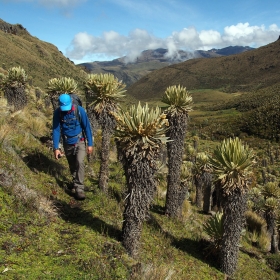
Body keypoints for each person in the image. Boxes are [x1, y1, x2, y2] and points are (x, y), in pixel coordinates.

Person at [52, 93, 93, 200]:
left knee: (80, 161)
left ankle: (79, 188)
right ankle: (75, 181)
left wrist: (90, 144)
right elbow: (56, 130)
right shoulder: (58, 113)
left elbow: (87, 127)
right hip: (67, 142)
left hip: (80, 140)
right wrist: (56, 148)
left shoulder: (79, 111)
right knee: (72, 165)